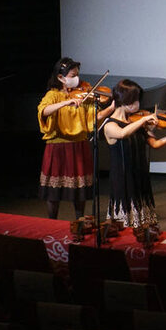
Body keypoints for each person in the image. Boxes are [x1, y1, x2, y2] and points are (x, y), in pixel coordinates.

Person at [35, 57, 113, 220]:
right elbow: (43, 111)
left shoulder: (84, 94)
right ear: (60, 78)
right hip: (57, 146)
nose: (77, 79)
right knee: (53, 190)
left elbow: (94, 118)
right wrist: (65, 103)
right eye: (72, 75)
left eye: (77, 74)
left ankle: (80, 221)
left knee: (79, 189)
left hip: (79, 145)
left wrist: (112, 108)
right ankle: (52, 222)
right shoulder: (53, 95)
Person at [100, 80, 166, 228]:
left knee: (144, 223)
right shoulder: (110, 125)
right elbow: (123, 133)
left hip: (140, 173)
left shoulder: (136, 122)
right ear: (125, 101)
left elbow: (155, 144)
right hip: (123, 177)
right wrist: (144, 119)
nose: (138, 105)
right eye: (135, 100)